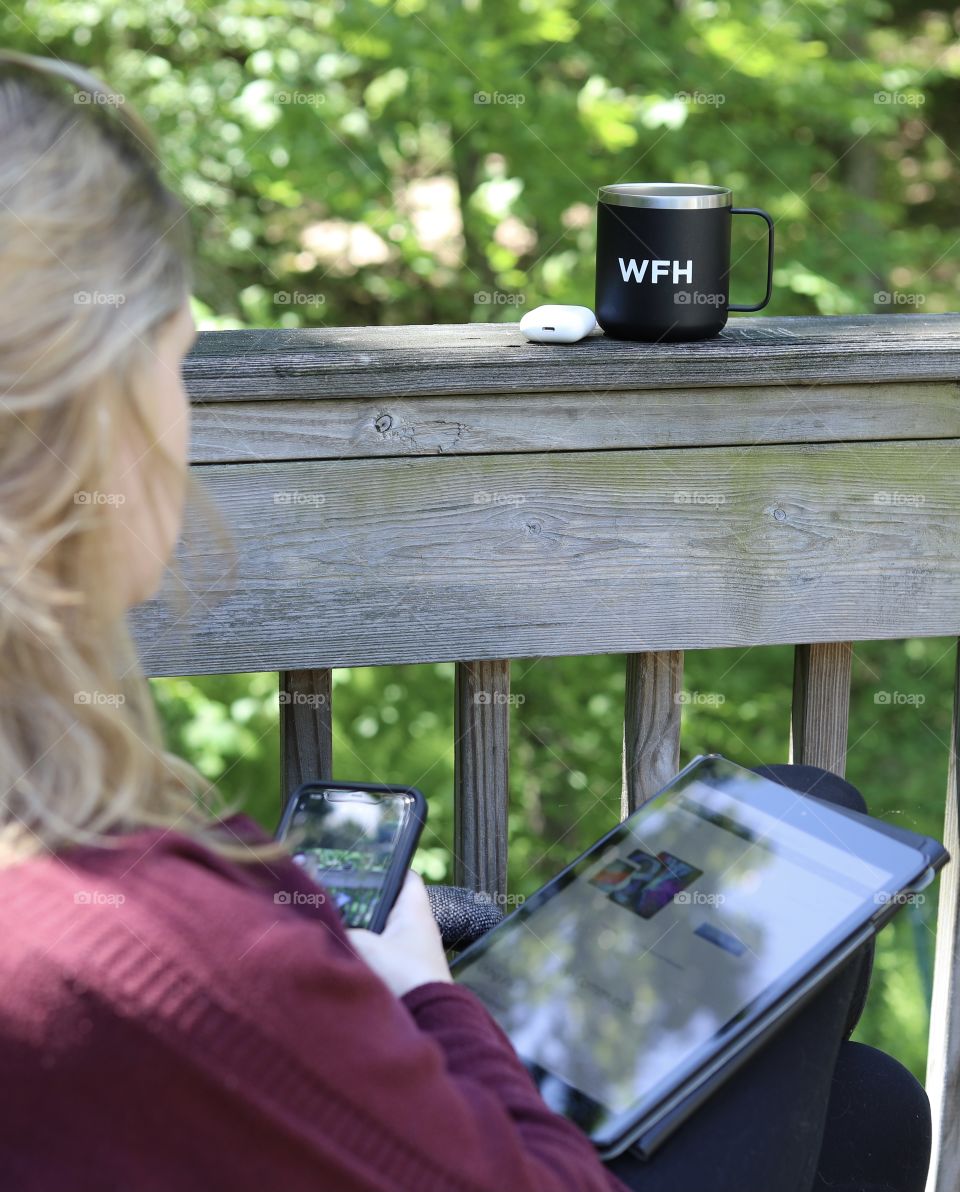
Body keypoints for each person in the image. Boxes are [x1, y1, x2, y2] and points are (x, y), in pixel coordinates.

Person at [0, 51, 931, 1192]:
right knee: (819, 851)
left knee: (869, 1102)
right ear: (91, 417)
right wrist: (417, 992)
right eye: (180, 361)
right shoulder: (150, 954)